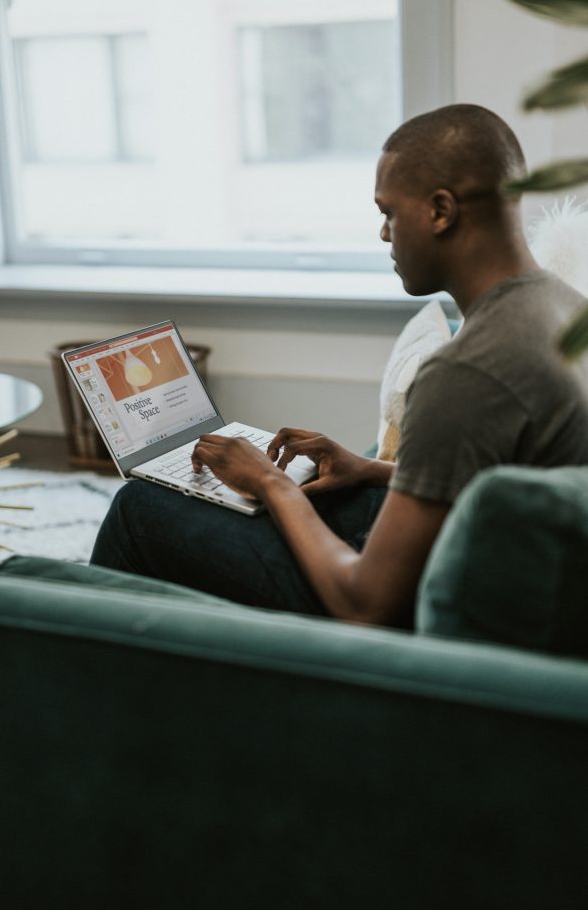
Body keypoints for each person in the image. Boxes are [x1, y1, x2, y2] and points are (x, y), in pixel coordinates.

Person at [91, 104, 588, 628]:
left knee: (139, 512)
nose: (383, 234)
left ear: (441, 211)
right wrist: (369, 469)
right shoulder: (563, 306)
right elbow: (512, 481)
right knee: (304, 495)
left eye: (389, 213)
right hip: (486, 557)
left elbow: (365, 607)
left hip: (415, 619)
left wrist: (270, 482)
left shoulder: (468, 371)